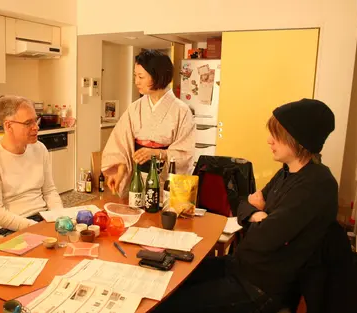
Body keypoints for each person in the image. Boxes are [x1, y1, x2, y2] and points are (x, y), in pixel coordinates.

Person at [153, 99, 338, 313]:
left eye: (277, 135)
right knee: (172, 275)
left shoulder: (316, 185)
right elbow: (243, 205)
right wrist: (257, 215)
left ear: (299, 139)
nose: (269, 140)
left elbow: (264, 239)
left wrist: (257, 214)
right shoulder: (287, 172)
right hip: (239, 266)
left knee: (170, 304)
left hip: (261, 286)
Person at [102, 50, 195, 197]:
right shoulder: (134, 108)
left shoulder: (181, 111)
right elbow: (120, 142)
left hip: (165, 180)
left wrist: (159, 153)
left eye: (141, 76)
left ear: (157, 76)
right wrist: (120, 169)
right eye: (135, 76)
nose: (136, 81)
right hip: (137, 178)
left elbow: (186, 154)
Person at [0, 95, 63, 236]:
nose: (36, 127)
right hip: (10, 228)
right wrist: (34, 227)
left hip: (43, 218)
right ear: (8, 126)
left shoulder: (40, 149)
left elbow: (49, 191)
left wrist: (59, 216)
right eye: (28, 123)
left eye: (36, 120)